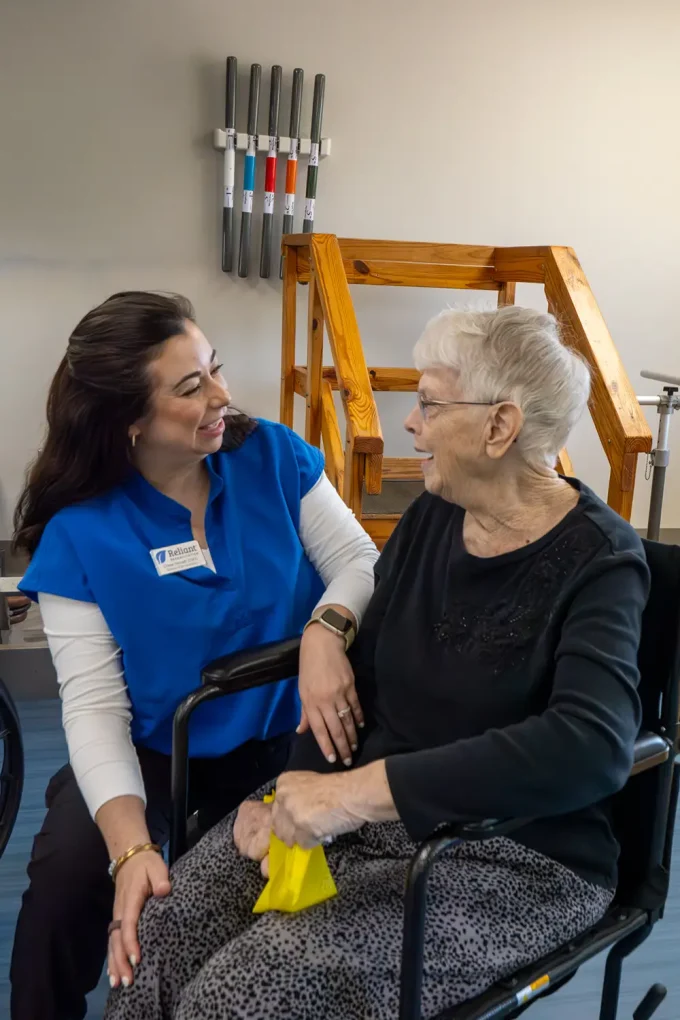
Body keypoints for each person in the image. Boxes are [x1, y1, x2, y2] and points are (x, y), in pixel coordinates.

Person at [105, 305, 649, 1020]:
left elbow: (591, 747)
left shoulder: (600, 561)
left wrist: (352, 795)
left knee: (242, 995)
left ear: (500, 426)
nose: (410, 424)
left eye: (427, 402)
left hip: (514, 860)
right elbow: (356, 674)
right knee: (164, 937)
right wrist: (295, 785)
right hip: (371, 822)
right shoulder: (434, 516)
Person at [10, 291, 379, 1020]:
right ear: (129, 422)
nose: (221, 396)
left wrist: (325, 629)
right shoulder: (82, 535)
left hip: (294, 738)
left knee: (244, 913)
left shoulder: (269, 456)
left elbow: (359, 561)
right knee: (63, 883)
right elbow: (92, 710)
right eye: (190, 387)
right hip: (159, 746)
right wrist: (129, 851)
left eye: (215, 369)